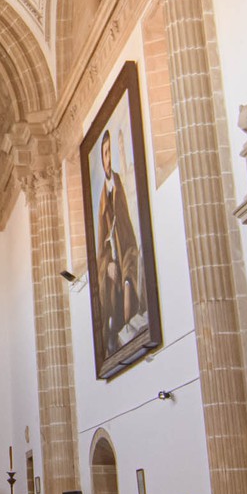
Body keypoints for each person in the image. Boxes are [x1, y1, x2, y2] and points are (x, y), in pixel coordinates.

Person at [94, 128, 143, 348]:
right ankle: (113, 334)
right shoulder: (103, 200)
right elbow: (101, 247)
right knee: (112, 297)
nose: (109, 158)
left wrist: (126, 272)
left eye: (110, 151)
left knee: (128, 286)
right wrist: (107, 266)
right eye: (105, 153)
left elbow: (128, 231)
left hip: (126, 257)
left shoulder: (119, 185)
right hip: (112, 265)